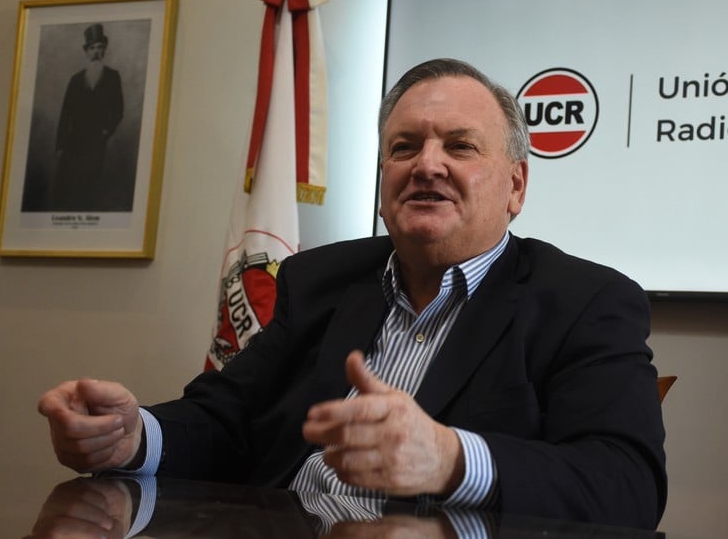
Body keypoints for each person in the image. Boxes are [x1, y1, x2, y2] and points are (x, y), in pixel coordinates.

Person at [38, 58, 667, 530]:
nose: (426, 164)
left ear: (516, 186)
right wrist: (134, 436)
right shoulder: (321, 281)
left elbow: (627, 484)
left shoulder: (585, 301)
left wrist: (453, 459)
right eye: (404, 147)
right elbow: (229, 418)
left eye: (459, 146)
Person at [51, 22, 124, 211]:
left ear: (105, 50)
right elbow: (65, 114)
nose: (96, 52)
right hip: (73, 144)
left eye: (100, 47)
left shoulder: (112, 77)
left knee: (89, 188)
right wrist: (60, 146)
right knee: (68, 189)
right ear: (86, 51)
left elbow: (118, 110)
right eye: (92, 48)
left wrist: (105, 131)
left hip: (96, 143)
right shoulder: (75, 80)